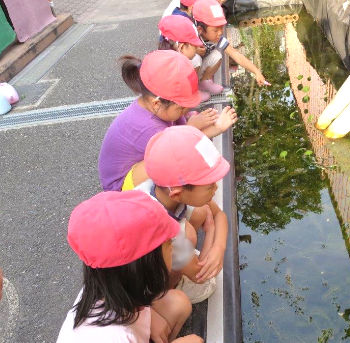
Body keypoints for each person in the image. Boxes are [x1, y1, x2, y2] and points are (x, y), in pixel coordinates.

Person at [56, 191, 203, 343]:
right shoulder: (113, 337)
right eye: (168, 243)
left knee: (179, 303)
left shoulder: (108, 284)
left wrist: (152, 316)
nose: (173, 247)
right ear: (145, 266)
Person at [98, 50, 237, 191]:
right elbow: (178, 148)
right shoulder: (147, 127)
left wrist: (194, 127)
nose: (186, 110)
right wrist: (199, 128)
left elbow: (180, 136)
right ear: (157, 103)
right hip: (122, 188)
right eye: (181, 109)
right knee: (180, 161)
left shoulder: (158, 108)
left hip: (150, 159)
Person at [132, 125, 229, 303]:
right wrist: (211, 232)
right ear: (177, 193)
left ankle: (181, 263)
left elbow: (220, 214)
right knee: (206, 288)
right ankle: (169, 288)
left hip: (170, 244)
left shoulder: (159, 186)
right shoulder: (163, 228)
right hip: (144, 284)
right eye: (210, 186)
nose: (215, 189)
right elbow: (200, 276)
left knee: (199, 213)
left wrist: (219, 248)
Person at [192, 0, 270, 95]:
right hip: (186, 74)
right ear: (200, 30)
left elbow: (236, 54)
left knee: (217, 56)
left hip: (199, 70)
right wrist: (194, 50)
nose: (220, 33)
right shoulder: (191, 37)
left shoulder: (218, 39)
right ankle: (192, 91)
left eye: (221, 28)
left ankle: (204, 83)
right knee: (195, 59)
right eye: (216, 30)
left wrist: (256, 72)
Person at [158, 15, 210, 102]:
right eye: (194, 46)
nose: (197, 47)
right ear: (181, 47)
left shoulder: (165, 60)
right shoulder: (177, 73)